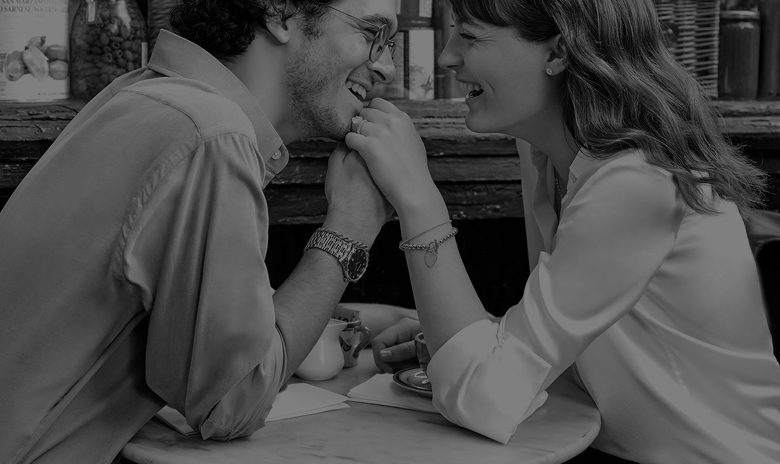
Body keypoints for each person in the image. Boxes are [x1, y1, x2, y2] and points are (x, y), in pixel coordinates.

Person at [346, 0, 780, 462]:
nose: (447, 57)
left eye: (470, 37)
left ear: (557, 53)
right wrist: (456, 332)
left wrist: (417, 195)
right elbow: (569, 337)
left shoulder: (637, 179)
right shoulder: (547, 153)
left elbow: (483, 399)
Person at [0, 1, 412, 462]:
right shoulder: (212, 134)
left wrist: (357, 315)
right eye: (372, 33)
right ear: (279, 13)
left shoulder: (147, 95)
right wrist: (350, 231)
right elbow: (229, 405)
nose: (387, 67)